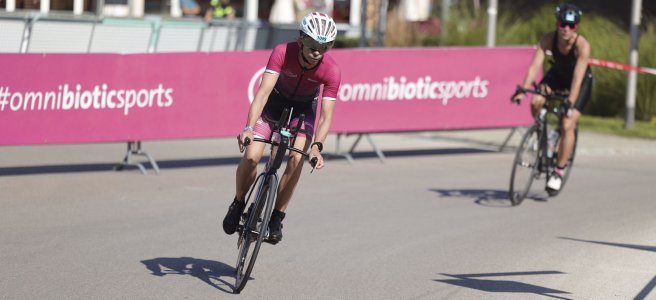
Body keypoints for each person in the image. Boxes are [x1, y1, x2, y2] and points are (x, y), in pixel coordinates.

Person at [223, 12, 341, 244]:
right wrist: (248, 127)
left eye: (325, 46)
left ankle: (277, 217)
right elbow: (263, 93)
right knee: (251, 157)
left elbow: (326, 117)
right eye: (313, 44)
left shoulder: (332, 70)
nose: (318, 50)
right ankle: (238, 202)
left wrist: (317, 147)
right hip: (274, 106)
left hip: (303, 111)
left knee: (297, 160)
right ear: (301, 40)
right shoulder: (281, 52)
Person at [511, 3, 593, 193]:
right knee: (536, 100)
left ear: (576, 27)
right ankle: (544, 138)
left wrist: (570, 103)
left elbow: (577, 78)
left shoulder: (582, 46)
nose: (565, 29)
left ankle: (559, 171)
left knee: (567, 124)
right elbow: (534, 67)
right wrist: (523, 89)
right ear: (557, 23)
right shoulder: (548, 39)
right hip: (557, 75)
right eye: (562, 24)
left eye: (571, 26)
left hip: (579, 83)